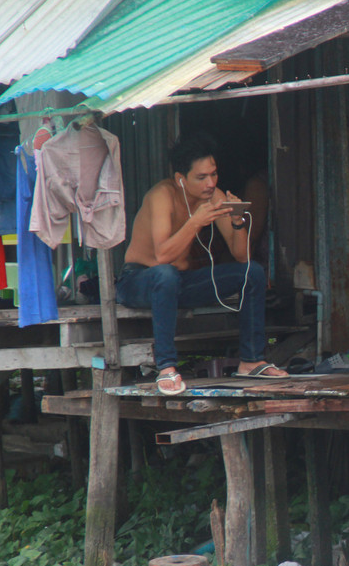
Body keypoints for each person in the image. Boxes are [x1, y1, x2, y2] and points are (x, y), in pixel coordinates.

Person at [117, 132, 288, 396]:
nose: (210, 183)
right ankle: (166, 368)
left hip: (179, 283)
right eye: (201, 177)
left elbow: (241, 256)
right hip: (140, 281)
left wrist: (238, 219)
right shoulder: (161, 195)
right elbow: (163, 257)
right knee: (166, 273)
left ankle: (251, 360)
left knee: (251, 272)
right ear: (180, 180)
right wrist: (195, 221)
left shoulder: (213, 195)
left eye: (214, 174)